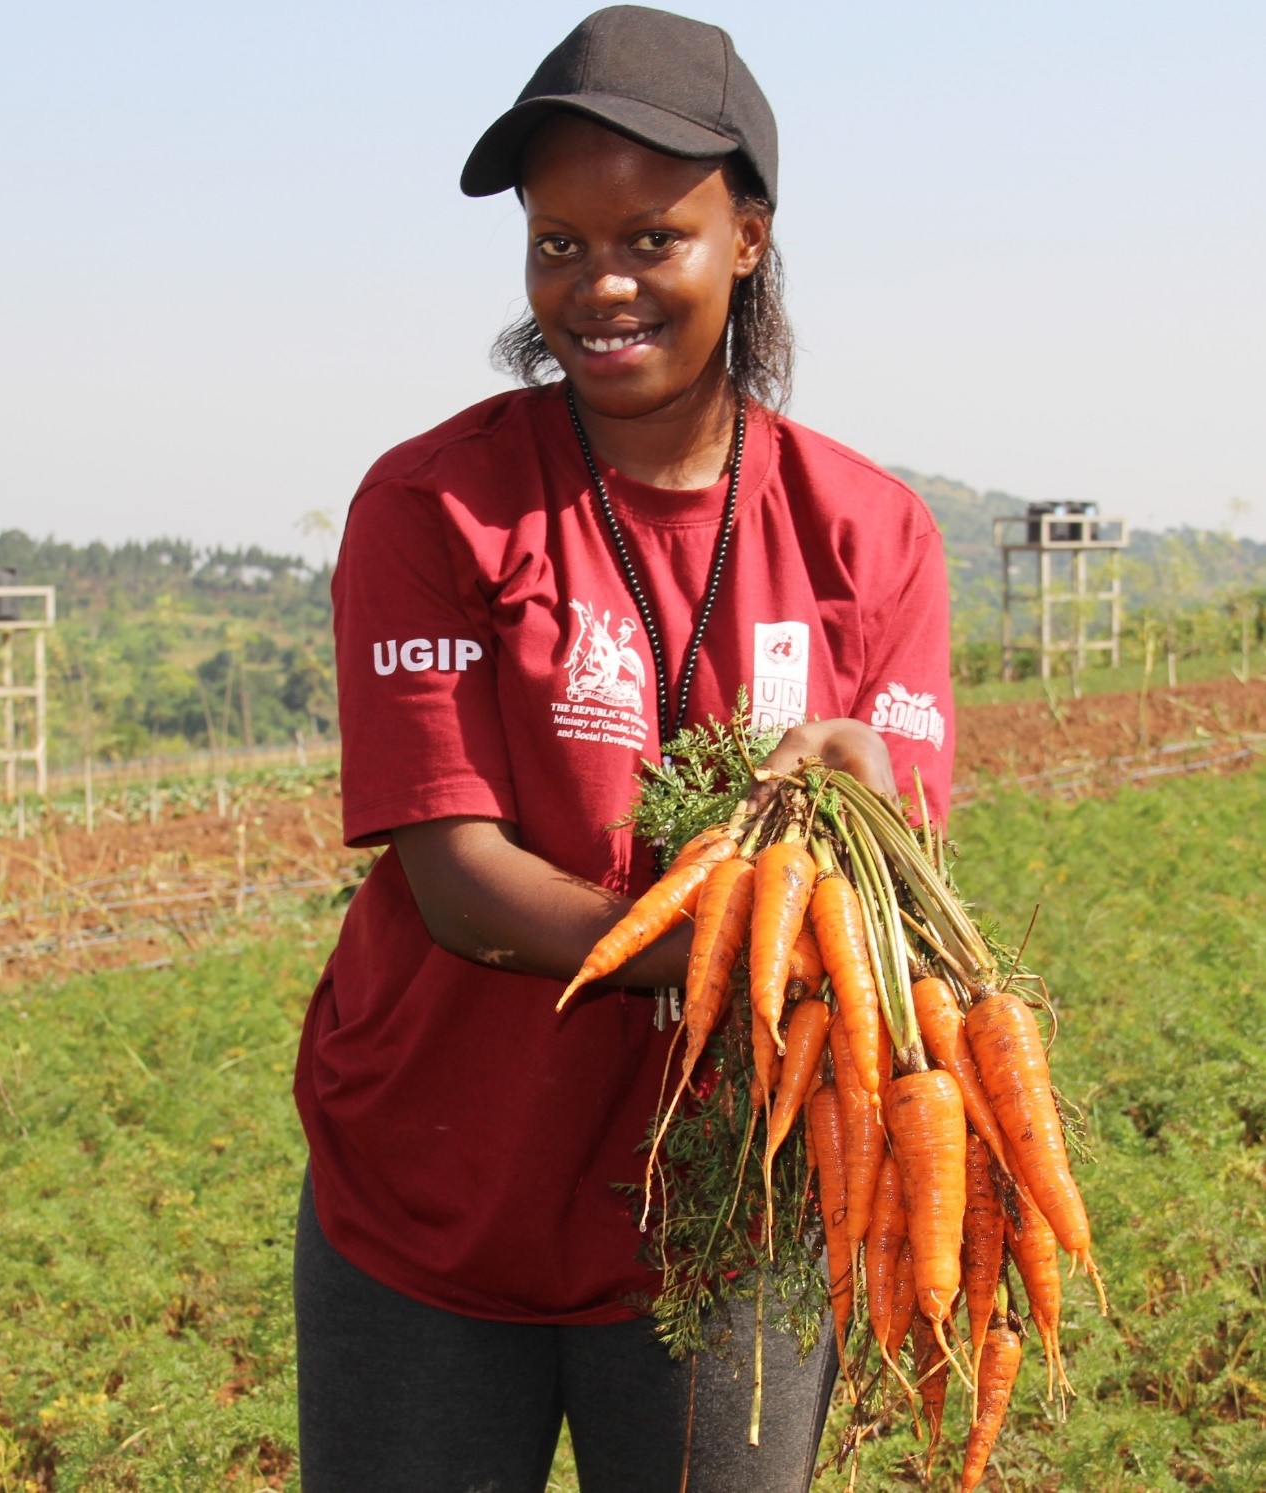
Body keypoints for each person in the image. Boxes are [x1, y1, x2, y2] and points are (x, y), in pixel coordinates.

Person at [293, 7, 955, 1490]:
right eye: (556, 242)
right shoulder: (437, 507)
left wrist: (872, 818)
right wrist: (746, 946)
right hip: (439, 1200)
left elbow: (905, 885)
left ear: (750, 239)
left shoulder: (869, 536)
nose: (597, 285)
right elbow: (460, 884)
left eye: (653, 239)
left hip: (733, 1214)